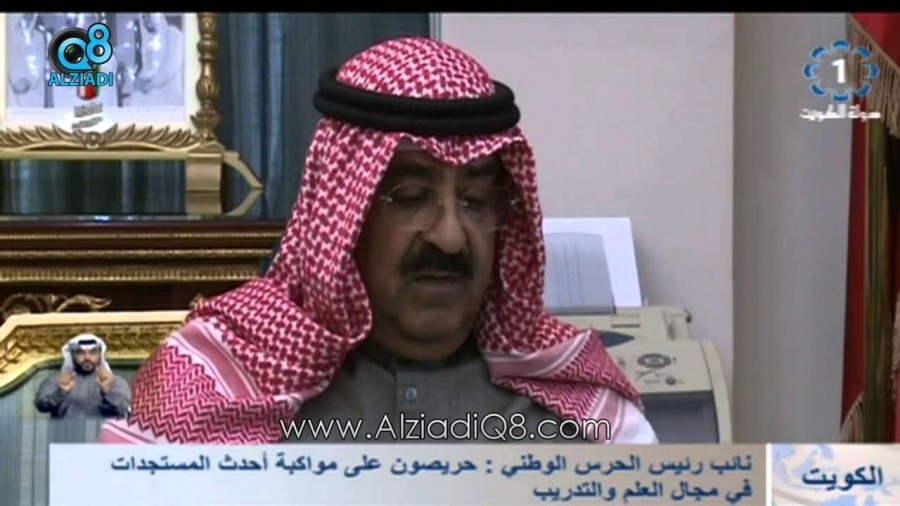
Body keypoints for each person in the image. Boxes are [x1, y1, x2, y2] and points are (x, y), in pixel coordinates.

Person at [99, 36, 656, 445]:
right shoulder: (213, 390)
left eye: (476, 200)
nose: (450, 237)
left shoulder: (587, 418)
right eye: (410, 196)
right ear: (345, 209)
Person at [34, 334, 131, 419]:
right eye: (81, 352)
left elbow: (127, 411)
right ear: (72, 355)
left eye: (93, 352)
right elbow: (41, 406)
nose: (87, 357)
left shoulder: (116, 382)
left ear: (100, 355)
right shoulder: (56, 381)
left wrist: (108, 392)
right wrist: (60, 392)